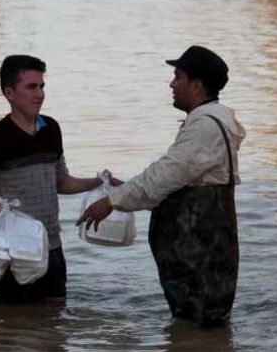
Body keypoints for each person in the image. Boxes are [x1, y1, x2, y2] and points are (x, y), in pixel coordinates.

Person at [78, 46, 245, 327]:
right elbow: (177, 176)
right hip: (205, 254)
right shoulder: (213, 121)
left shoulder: (205, 127)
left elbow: (165, 175)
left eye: (178, 76)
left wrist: (111, 201)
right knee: (203, 324)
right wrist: (128, 187)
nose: (172, 83)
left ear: (196, 84)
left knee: (196, 326)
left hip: (198, 258)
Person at [0, 55, 119, 304]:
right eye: (31, 87)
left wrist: (98, 182)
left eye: (42, 86)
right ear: (9, 92)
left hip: (52, 248)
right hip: (12, 252)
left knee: (53, 331)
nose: (39, 94)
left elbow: (61, 182)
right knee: (11, 329)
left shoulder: (51, 129)